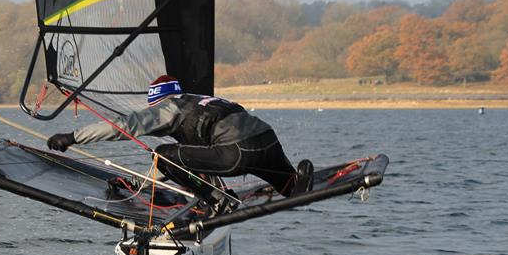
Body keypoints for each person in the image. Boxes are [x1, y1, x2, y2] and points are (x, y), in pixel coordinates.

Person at [47, 75, 313, 212]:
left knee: (164, 153)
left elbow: (123, 127)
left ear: (158, 101)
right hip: (267, 141)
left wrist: (73, 138)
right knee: (289, 188)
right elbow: (191, 160)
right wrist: (142, 184)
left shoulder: (168, 108)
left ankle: (219, 202)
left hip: (237, 153)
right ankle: (296, 180)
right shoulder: (207, 100)